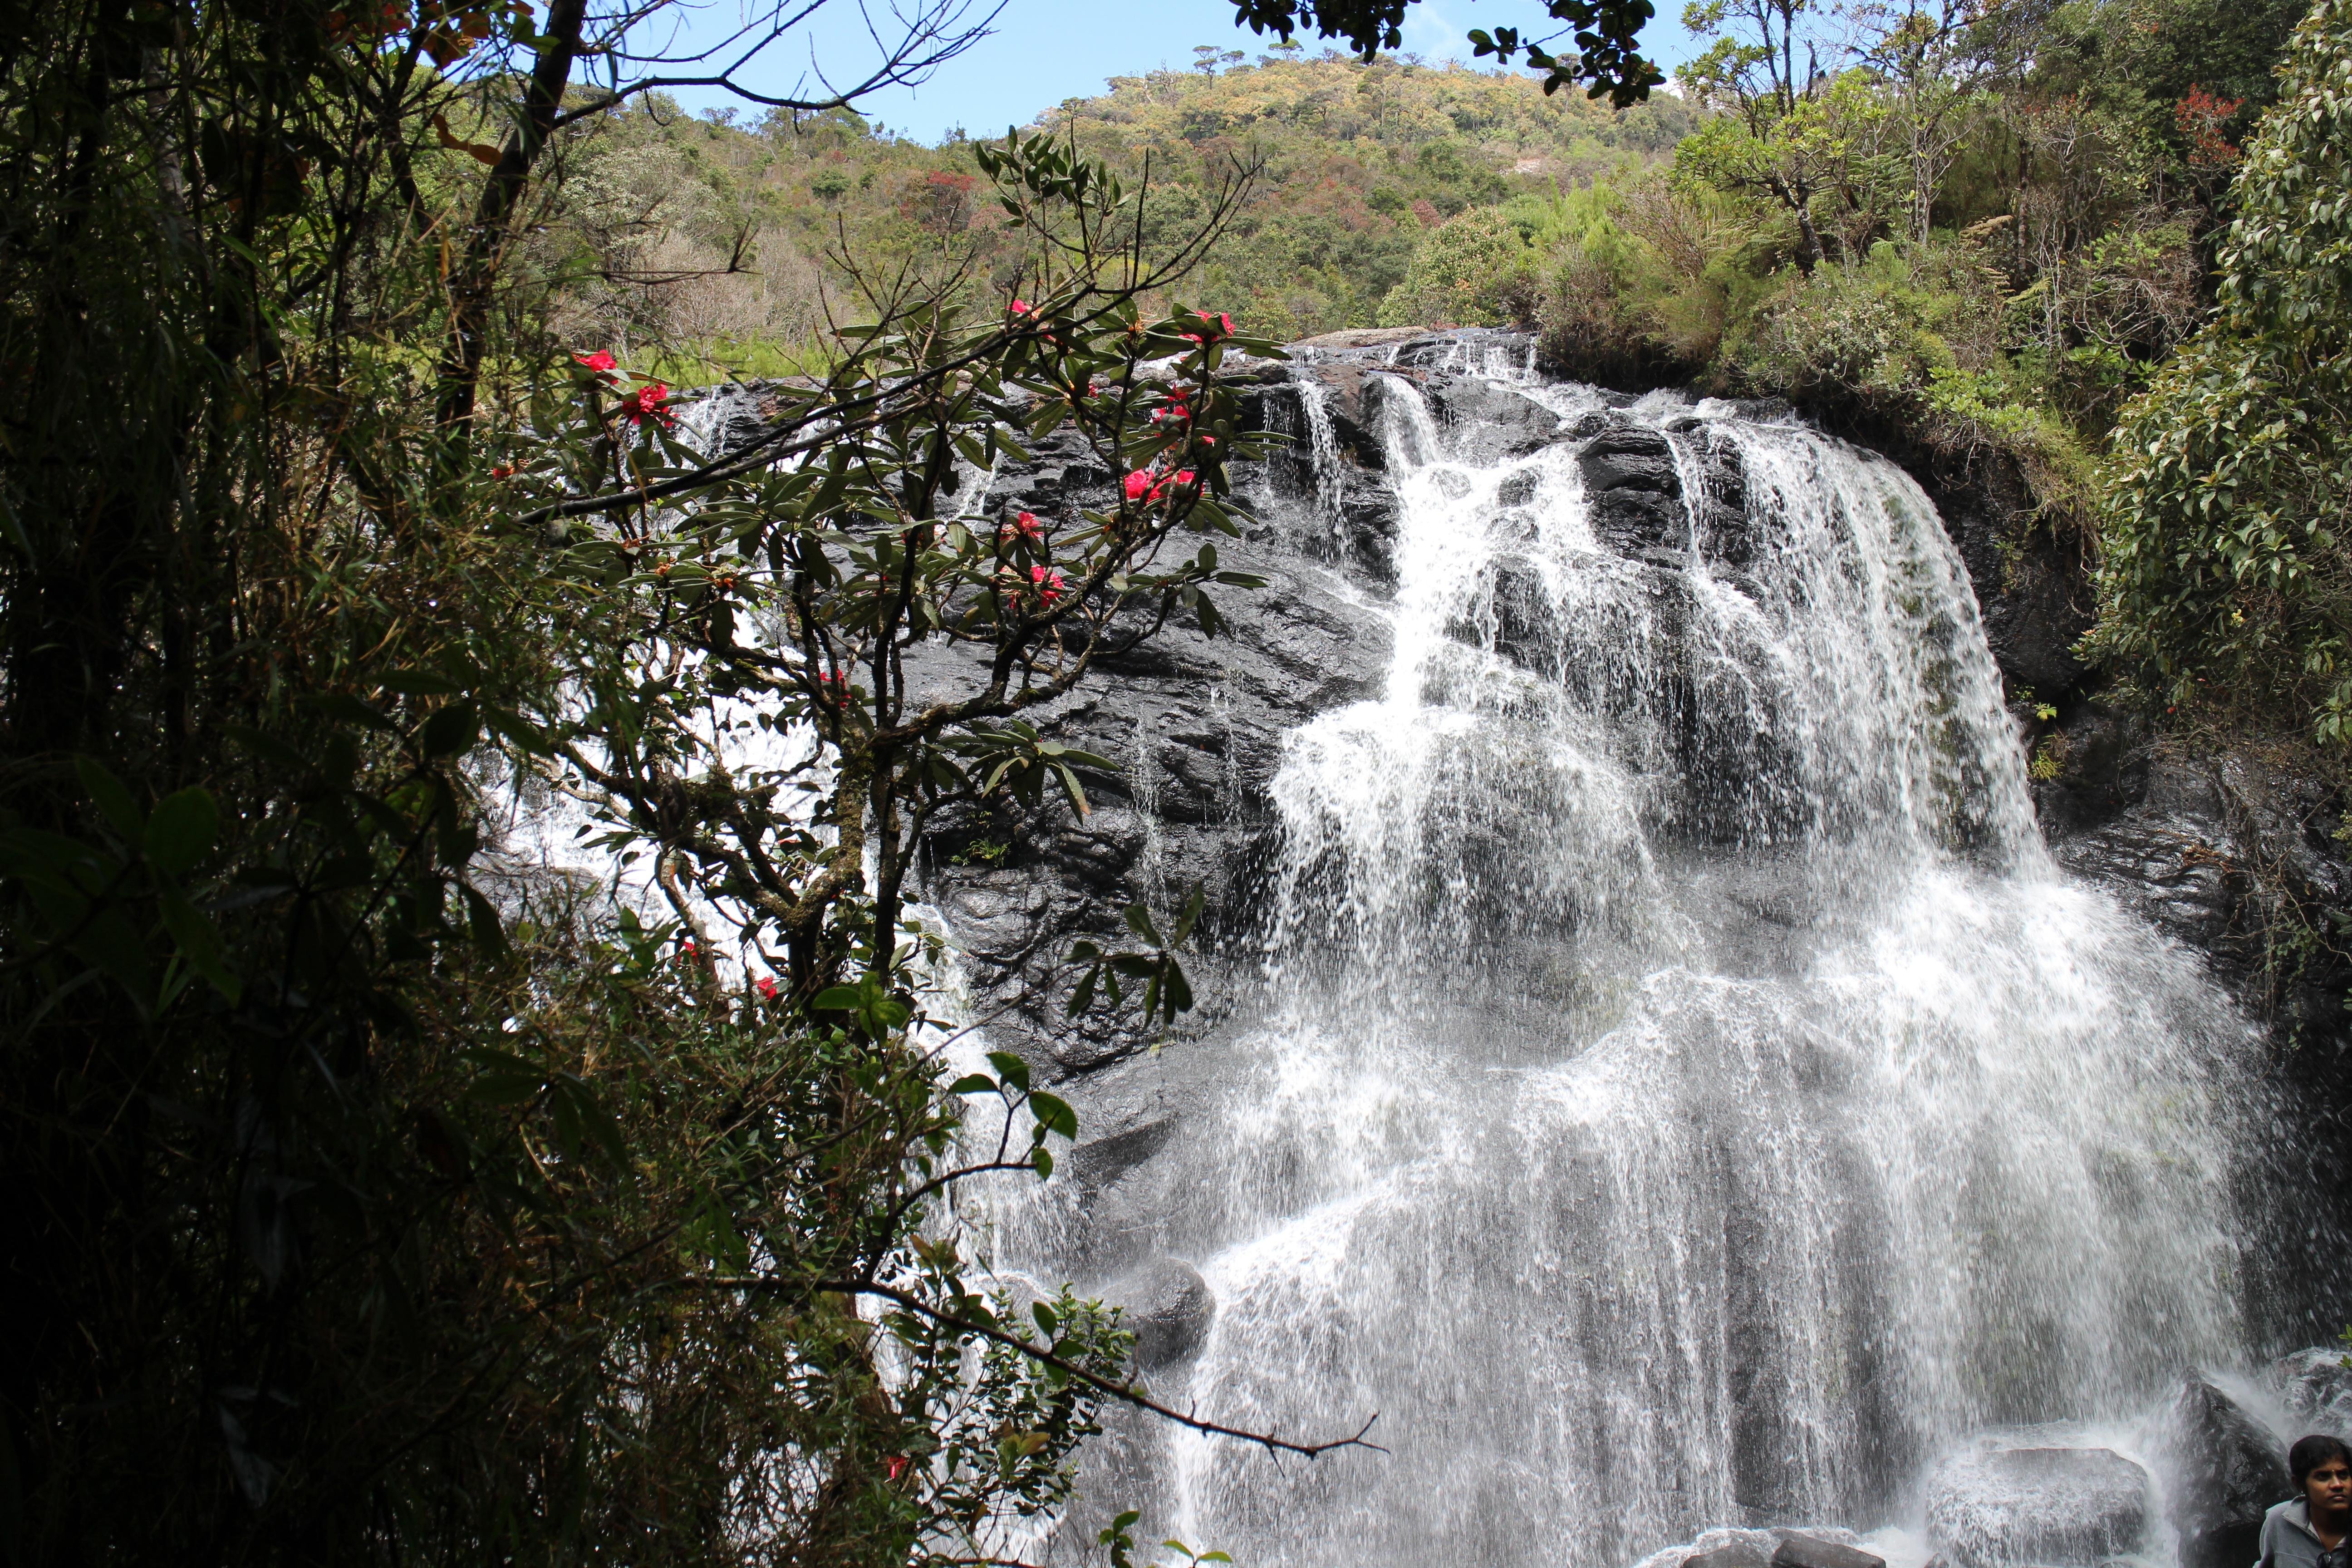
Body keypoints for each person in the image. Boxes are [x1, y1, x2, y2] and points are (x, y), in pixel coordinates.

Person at [2258, 1434, 2352, 1568]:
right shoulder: (2280, 1521)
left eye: (2343, 1475)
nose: (2337, 1485)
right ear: (2299, 1484)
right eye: (2323, 1477)